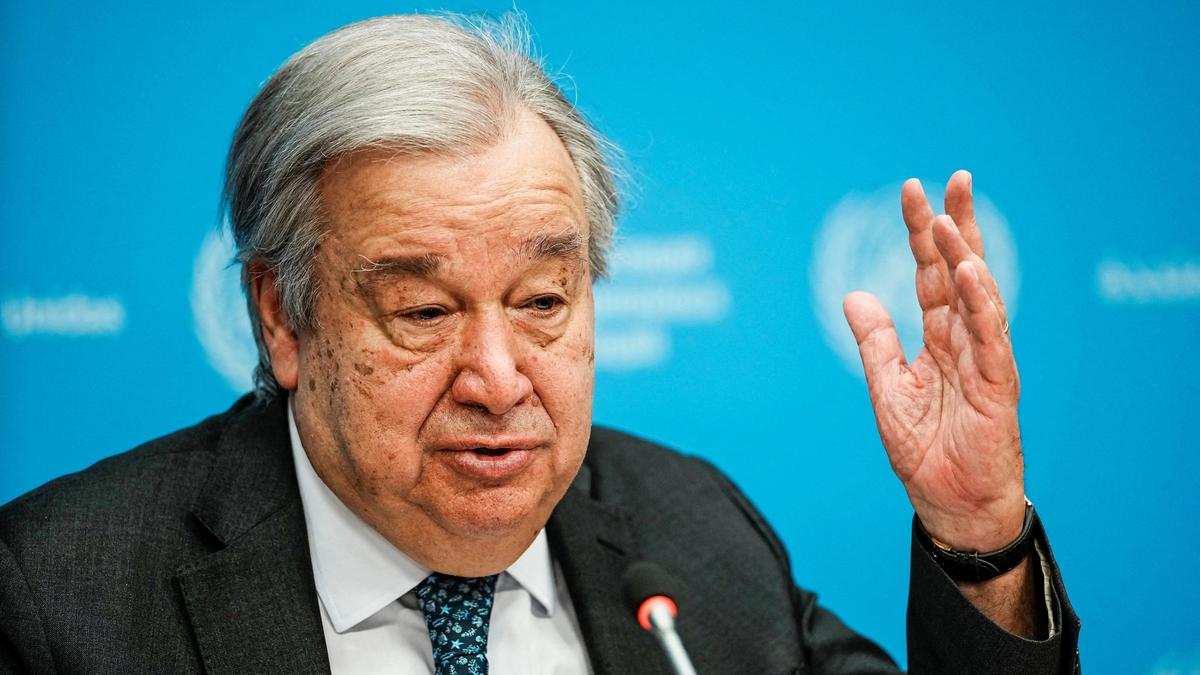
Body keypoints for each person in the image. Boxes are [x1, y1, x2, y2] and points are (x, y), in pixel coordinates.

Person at [0, 13, 1079, 674]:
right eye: (424, 312)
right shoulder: (58, 599)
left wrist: (975, 534)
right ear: (283, 318)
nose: (499, 378)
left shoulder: (693, 533)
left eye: (542, 301)